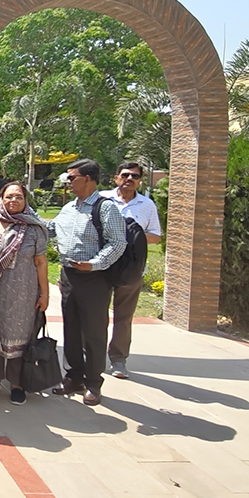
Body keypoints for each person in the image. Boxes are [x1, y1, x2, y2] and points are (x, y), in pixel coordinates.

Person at [47, 159, 126, 406]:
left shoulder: (105, 208)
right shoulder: (69, 207)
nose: (68, 182)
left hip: (94, 278)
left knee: (93, 332)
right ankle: (73, 377)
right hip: (69, 276)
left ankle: (93, 382)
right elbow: (51, 229)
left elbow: (118, 243)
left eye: (72, 177)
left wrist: (94, 264)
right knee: (71, 328)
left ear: (88, 179)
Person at [0, 182, 49, 405]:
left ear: (25, 200)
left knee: (19, 335)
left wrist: (45, 294)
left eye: (18, 197)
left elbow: (41, 262)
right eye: (9, 196)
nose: (13, 201)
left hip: (23, 291)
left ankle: (16, 384)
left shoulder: (34, 228)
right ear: (1, 200)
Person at [101, 162, 162, 380]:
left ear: (140, 181)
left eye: (135, 176)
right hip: (102, 266)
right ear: (116, 177)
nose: (129, 179)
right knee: (96, 314)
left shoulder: (147, 205)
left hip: (131, 268)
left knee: (124, 317)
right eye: (125, 175)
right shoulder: (102, 199)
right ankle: (93, 357)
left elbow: (156, 236)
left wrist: (133, 234)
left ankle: (118, 359)